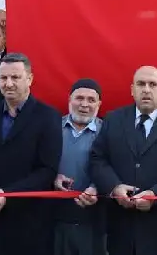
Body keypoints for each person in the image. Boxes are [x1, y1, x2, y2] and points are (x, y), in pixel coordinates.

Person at [90, 65, 157, 255]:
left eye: (152, 84)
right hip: (120, 230)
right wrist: (115, 187)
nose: (146, 89)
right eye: (141, 84)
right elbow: (98, 159)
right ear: (132, 90)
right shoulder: (113, 119)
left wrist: (156, 194)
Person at [0, 53, 62, 255]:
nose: (8, 83)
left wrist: (8, 195)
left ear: (30, 79)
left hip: (28, 221)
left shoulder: (48, 116)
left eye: (15, 77)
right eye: (3, 78)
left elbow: (47, 170)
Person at [53, 79, 106, 255]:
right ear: (69, 100)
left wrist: (97, 187)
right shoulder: (52, 128)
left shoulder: (108, 132)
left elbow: (116, 168)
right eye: (79, 98)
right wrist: (53, 178)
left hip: (93, 222)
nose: (84, 105)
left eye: (91, 100)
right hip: (54, 220)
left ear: (99, 104)